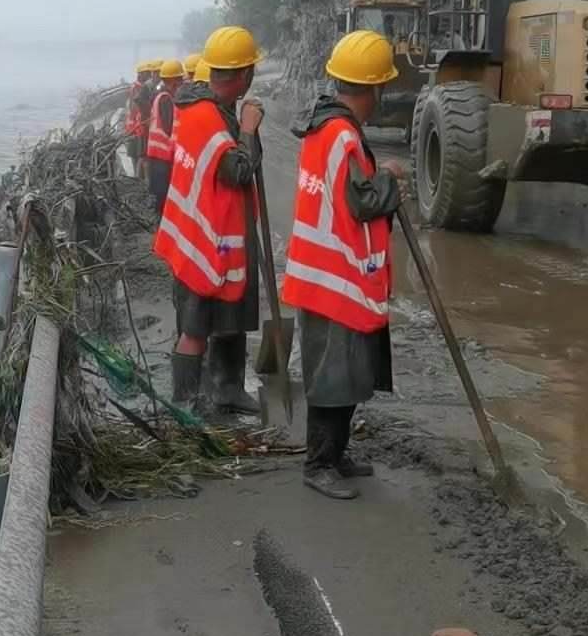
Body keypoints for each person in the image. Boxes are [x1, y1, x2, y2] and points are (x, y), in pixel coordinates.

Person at [281, 30, 409, 499]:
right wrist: (389, 178)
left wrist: (378, 178)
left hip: (327, 274)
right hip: (332, 277)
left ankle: (335, 455)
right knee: (332, 377)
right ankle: (318, 464)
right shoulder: (341, 134)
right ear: (375, 88)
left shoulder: (326, 127)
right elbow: (361, 202)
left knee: (348, 371)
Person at [154, 26, 266, 421]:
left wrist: (245, 130)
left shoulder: (204, 109)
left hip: (213, 235)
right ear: (244, 74)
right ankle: (185, 405)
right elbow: (238, 171)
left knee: (230, 317)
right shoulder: (208, 118)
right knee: (196, 327)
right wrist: (248, 130)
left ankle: (227, 390)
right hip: (208, 242)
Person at [143, 58, 184, 208]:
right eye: (180, 80)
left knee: (160, 197)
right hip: (162, 159)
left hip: (157, 157)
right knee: (163, 199)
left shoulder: (160, 95)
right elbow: (170, 129)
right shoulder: (166, 100)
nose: (181, 84)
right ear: (174, 82)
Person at [123, 60, 156, 167]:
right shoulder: (137, 88)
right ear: (141, 74)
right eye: (147, 72)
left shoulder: (141, 87)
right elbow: (135, 109)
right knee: (138, 155)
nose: (150, 75)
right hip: (135, 127)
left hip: (137, 126)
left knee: (140, 155)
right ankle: (137, 175)